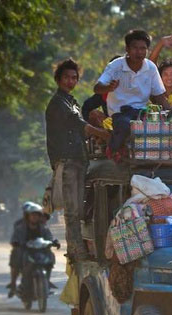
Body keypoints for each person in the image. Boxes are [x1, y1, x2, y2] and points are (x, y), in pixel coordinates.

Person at [46, 58, 108, 262]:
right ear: (58, 79)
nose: (70, 81)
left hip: (79, 159)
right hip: (67, 161)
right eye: (66, 77)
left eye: (74, 78)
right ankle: (75, 250)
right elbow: (82, 126)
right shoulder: (58, 103)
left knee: (80, 209)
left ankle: (80, 246)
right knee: (73, 210)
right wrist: (107, 135)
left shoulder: (71, 101)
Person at [94, 29, 171, 155]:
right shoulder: (115, 66)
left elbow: (159, 97)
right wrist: (108, 88)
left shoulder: (151, 67)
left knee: (161, 127)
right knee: (125, 125)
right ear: (127, 49)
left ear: (147, 50)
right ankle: (113, 149)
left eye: (143, 48)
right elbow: (97, 87)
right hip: (120, 113)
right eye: (135, 48)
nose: (139, 52)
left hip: (142, 113)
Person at [7, 203, 59, 298]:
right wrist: (16, 243)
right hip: (26, 251)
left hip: (41, 251)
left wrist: (54, 242)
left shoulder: (44, 228)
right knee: (17, 257)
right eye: (32, 215)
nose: (35, 217)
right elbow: (14, 239)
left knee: (50, 255)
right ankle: (15, 283)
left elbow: (50, 238)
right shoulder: (20, 228)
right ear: (28, 216)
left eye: (37, 215)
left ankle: (46, 281)